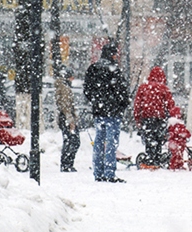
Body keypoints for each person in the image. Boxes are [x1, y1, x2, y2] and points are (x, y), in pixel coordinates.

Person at [83, 44, 130, 182]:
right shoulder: (114, 70)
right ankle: (109, 172)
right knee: (111, 143)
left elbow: (87, 90)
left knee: (99, 141)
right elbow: (121, 91)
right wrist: (122, 104)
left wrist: (96, 102)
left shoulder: (93, 69)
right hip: (113, 112)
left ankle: (98, 172)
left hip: (99, 112)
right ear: (112, 55)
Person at [133, 66, 176, 166]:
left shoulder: (143, 88)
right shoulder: (164, 89)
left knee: (149, 139)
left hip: (146, 119)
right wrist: (171, 117)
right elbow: (170, 105)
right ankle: (157, 158)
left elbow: (137, 105)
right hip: (160, 119)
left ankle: (150, 158)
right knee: (159, 139)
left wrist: (138, 119)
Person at [55, 65, 81, 173]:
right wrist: (71, 121)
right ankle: (67, 164)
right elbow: (66, 107)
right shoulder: (65, 88)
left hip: (64, 117)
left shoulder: (62, 87)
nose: (73, 79)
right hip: (66, 118)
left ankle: (66, 163)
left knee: (69, 140)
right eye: (71, 77)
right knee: (73, 141)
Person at [167, 106, 191, 170]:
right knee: (177, 154)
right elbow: (182, 132)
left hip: (174, 142)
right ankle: (175, 165)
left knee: (177, 154)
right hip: (178, 142)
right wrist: (187, 134)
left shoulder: (172, 124)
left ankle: (177, 165)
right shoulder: (177, 124)